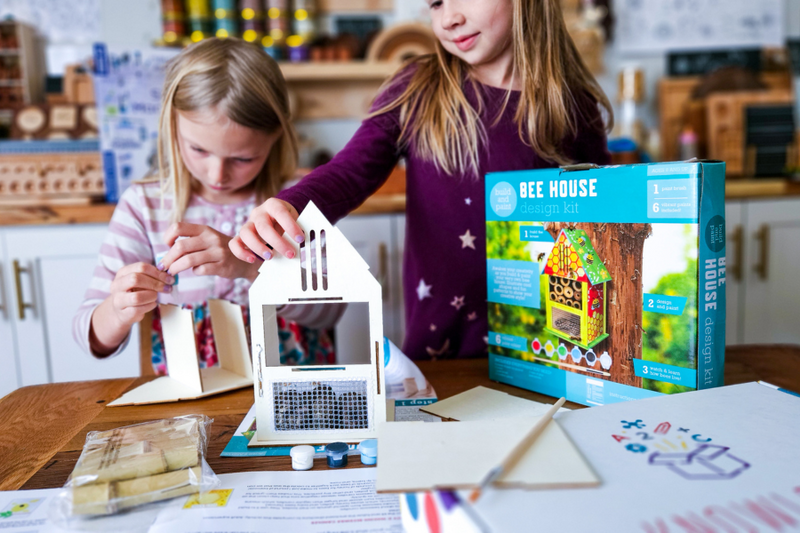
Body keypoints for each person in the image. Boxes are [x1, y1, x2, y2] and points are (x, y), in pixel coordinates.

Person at [230, 0, 613, 360]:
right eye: (435, 3)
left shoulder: (573, 105)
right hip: (438, 353)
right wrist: (291, 203)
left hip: (546, 355)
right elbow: (351, 171)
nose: (448, 18)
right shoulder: (418, 87)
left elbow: (605, 224)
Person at [74, 38, 342, 373]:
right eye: (199, 150)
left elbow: (331, 311)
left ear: (277, 137)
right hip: (189, 407)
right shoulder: (144, 206)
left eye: (243, 158)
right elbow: (91, 337)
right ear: (173, 125)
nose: (218, 174)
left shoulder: (294, 203)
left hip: (298, 396)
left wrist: (248, 268)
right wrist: (118, 309)